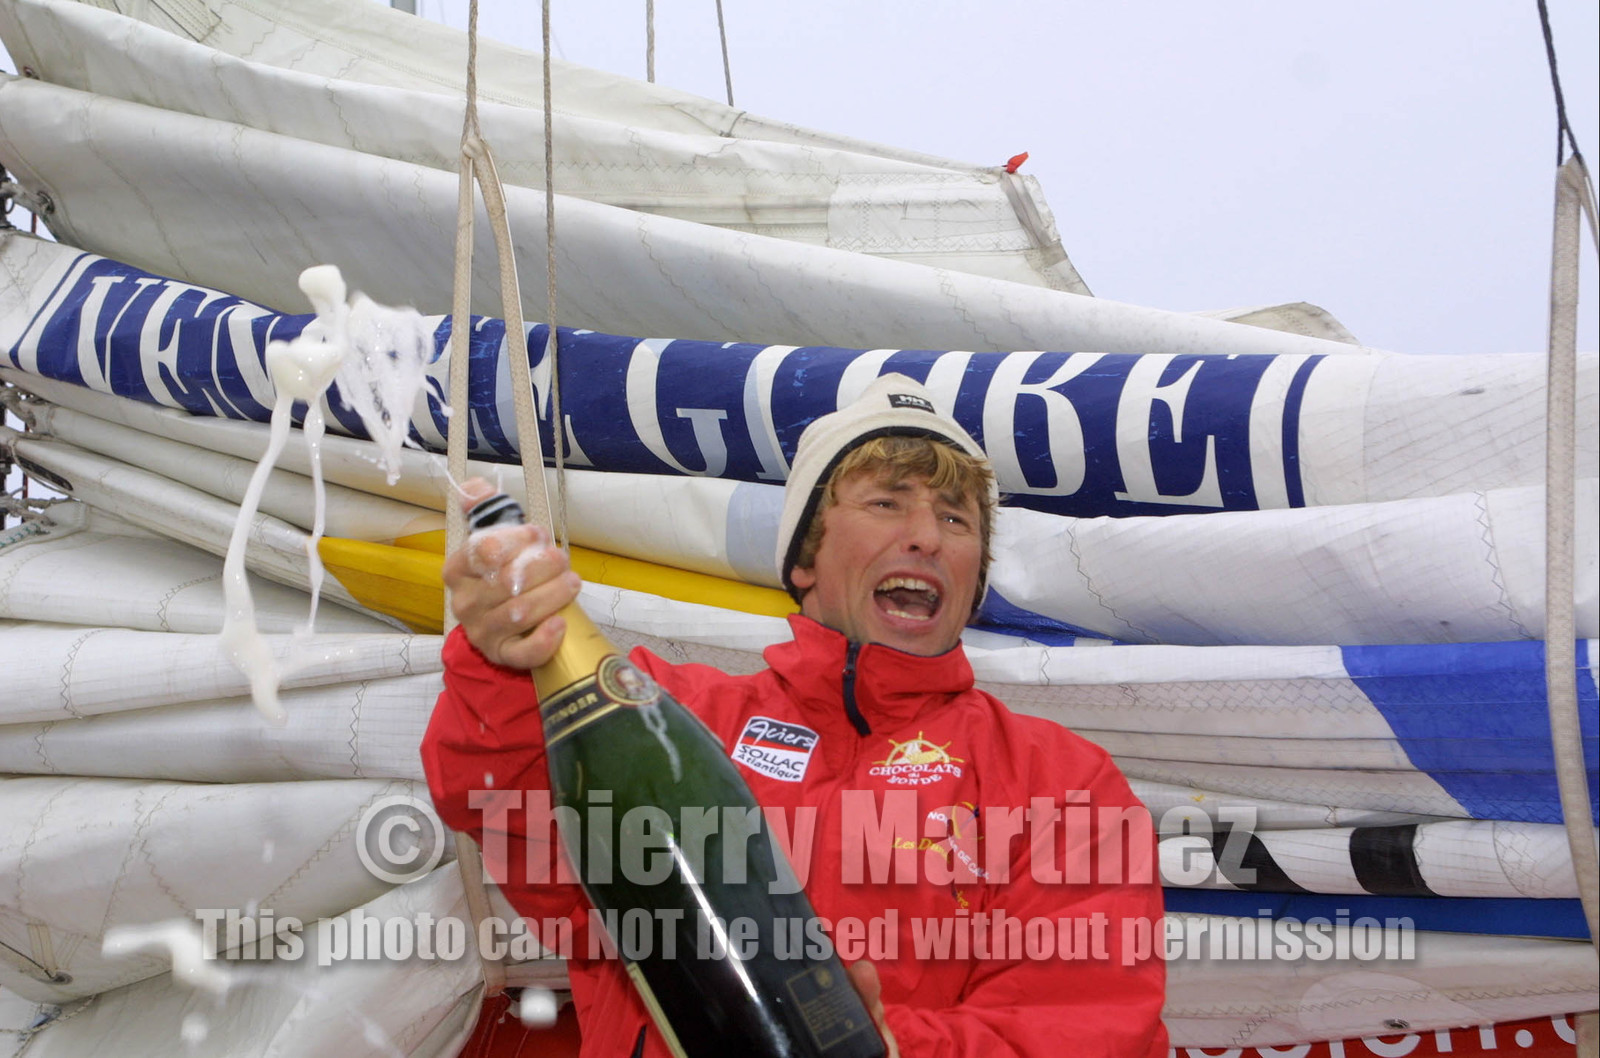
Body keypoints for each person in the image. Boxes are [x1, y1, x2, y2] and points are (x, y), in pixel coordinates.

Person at [422, 374, 1168, 1057]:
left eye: (956, 518)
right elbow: (521, 818)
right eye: (887, 502)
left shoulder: (1060, 781)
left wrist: (873, 1044)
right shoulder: (670, 713)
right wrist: (504, 654)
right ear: (805, 557)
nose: (929, 535)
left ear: (974, 585)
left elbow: (1087, 1023)